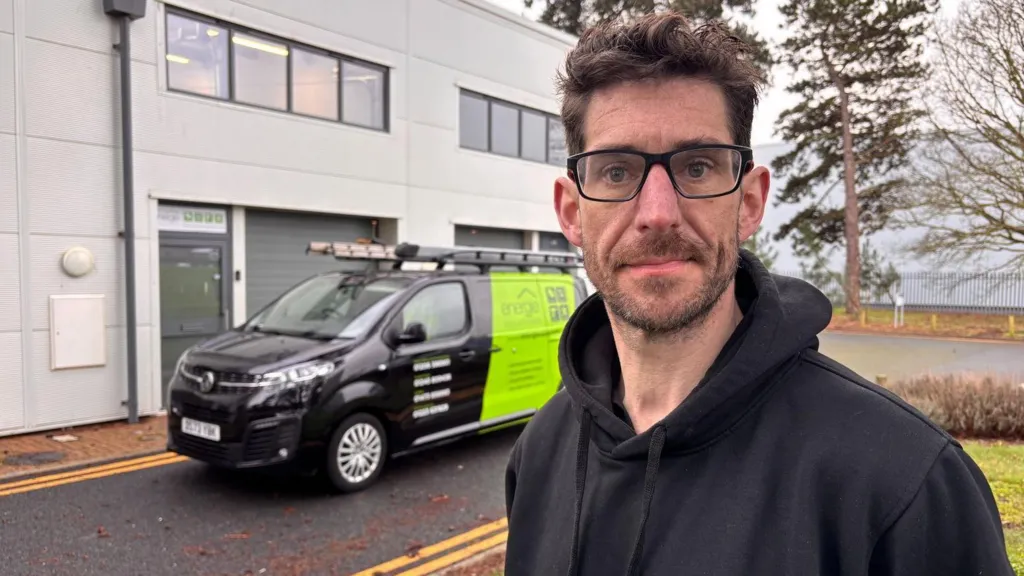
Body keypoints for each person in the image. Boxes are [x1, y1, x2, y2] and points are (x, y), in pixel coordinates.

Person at [503, 11, 1013, 576]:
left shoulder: (904, 482)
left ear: (749, 202)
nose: (657, 214)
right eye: (617, 173)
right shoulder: (541, 452)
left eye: (696, 167)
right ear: (572, 213)